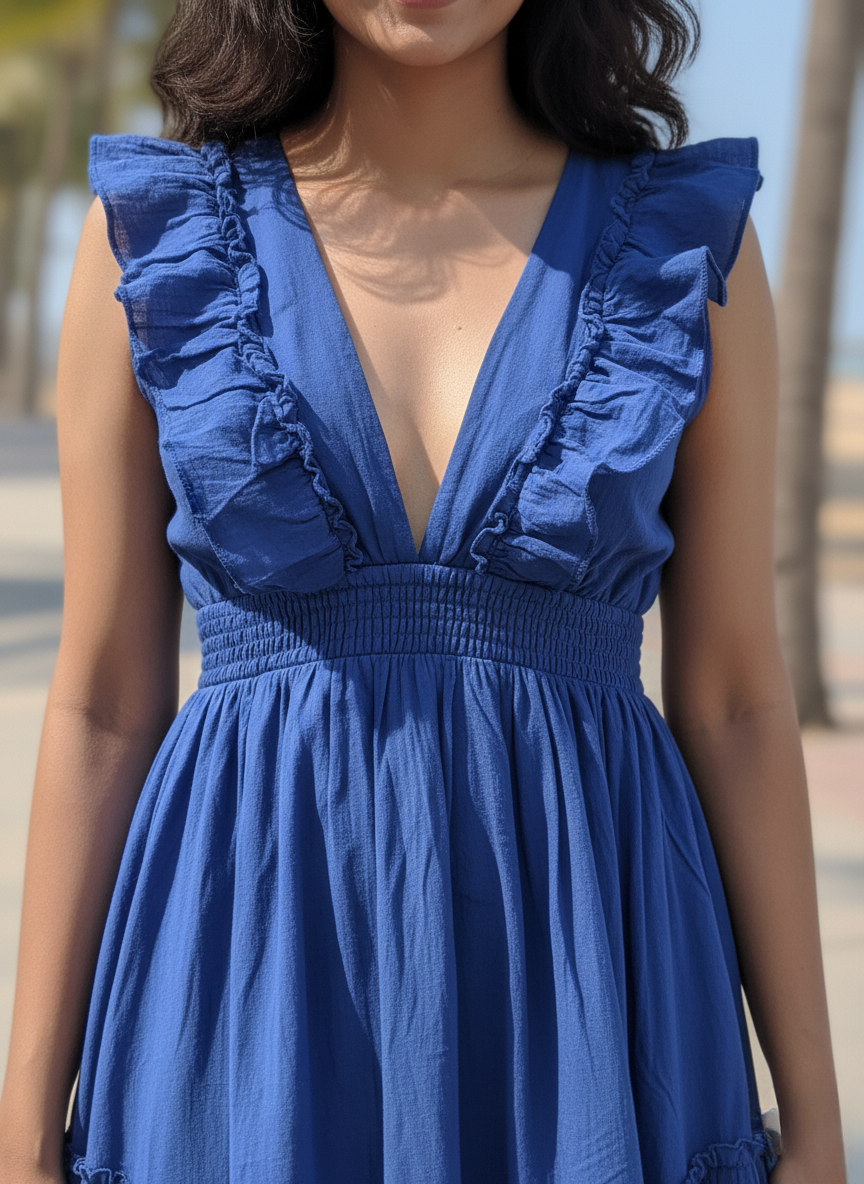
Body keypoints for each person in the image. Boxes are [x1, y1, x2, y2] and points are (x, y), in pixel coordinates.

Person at [0, 0, 849, 1178]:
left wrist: (816, 1116)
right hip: (251, 961)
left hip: (588, 973)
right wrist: (22, 1130)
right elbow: (100, 703)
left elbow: (737, 702)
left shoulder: (681, 244)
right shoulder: (156, 236)